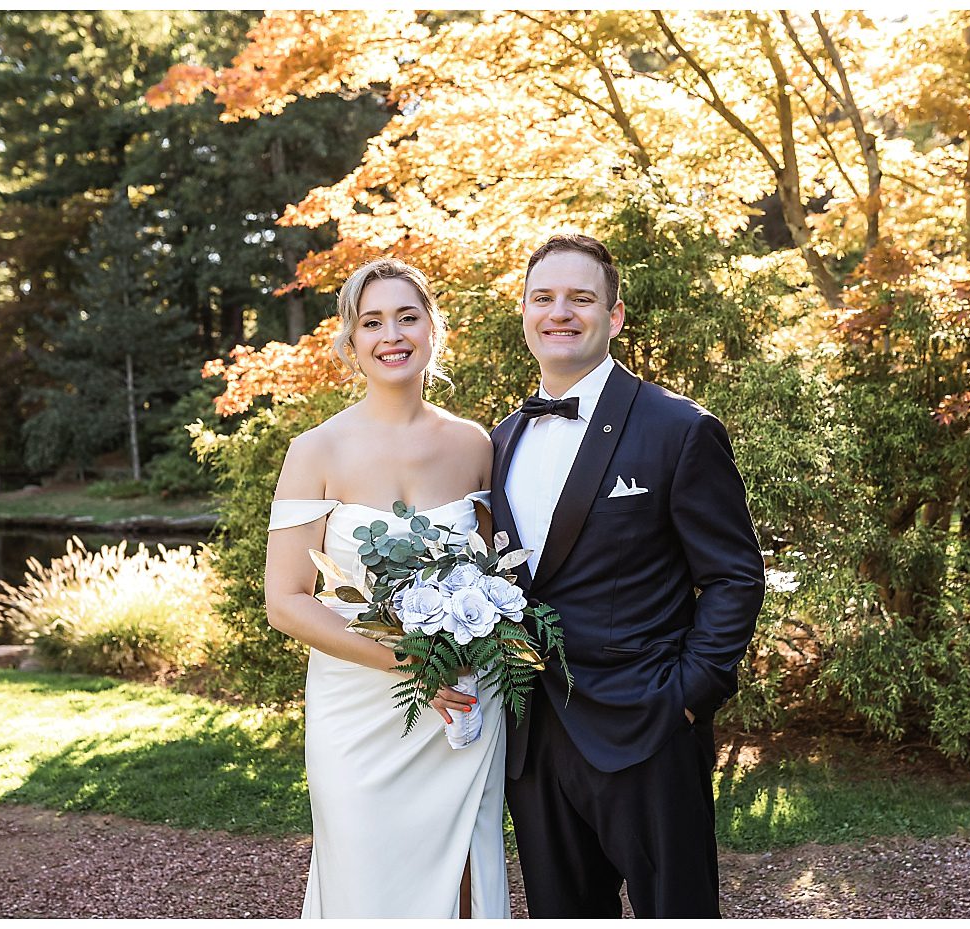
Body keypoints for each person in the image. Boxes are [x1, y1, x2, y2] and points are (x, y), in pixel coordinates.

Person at [489, 233, 764, 917]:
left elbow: (734, 575)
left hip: (648, 725)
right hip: (535, 734)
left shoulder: (678, 427)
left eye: (581, 298)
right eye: (543, 298)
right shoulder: (496, 439)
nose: (560, 312)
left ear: (613, 316)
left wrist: (689, 696)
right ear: (524, 313)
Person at [263, 258, 509, 918]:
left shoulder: (474, 444)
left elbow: (497, 572)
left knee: (463, 882)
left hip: (459, 705)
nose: (391, 334)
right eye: (372, 321)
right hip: (357, 714)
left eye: (407, 316)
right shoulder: (316, 450)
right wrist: (407, 662)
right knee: (364, 884)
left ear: (433, 329)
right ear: (350, 341)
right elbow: (286, 599)